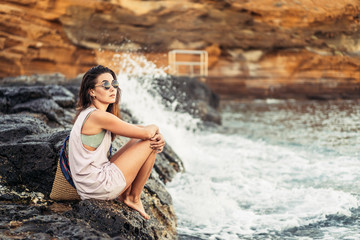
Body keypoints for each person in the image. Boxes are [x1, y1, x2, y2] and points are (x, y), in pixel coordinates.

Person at [68, 65, 164, 220]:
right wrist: (156, 128)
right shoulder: (98, 116)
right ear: (91, 91)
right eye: (105, 85)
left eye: (115, 84)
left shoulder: (89, 113)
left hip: (90, 184)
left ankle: (127, 193)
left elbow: (135, 130)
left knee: (141, 138)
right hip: (98, 186)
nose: (112, 89)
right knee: (150, 141)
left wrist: (153, 132)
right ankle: (133, 197)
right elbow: (146, 132)